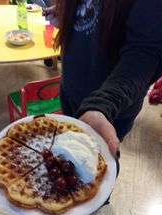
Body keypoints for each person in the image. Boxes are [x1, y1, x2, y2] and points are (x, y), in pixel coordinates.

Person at [42, 0, 162, 156]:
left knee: (93, 170)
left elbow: (144, 55)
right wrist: (69, 14)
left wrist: (102, 104)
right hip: (69, 93)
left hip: (108, 110)